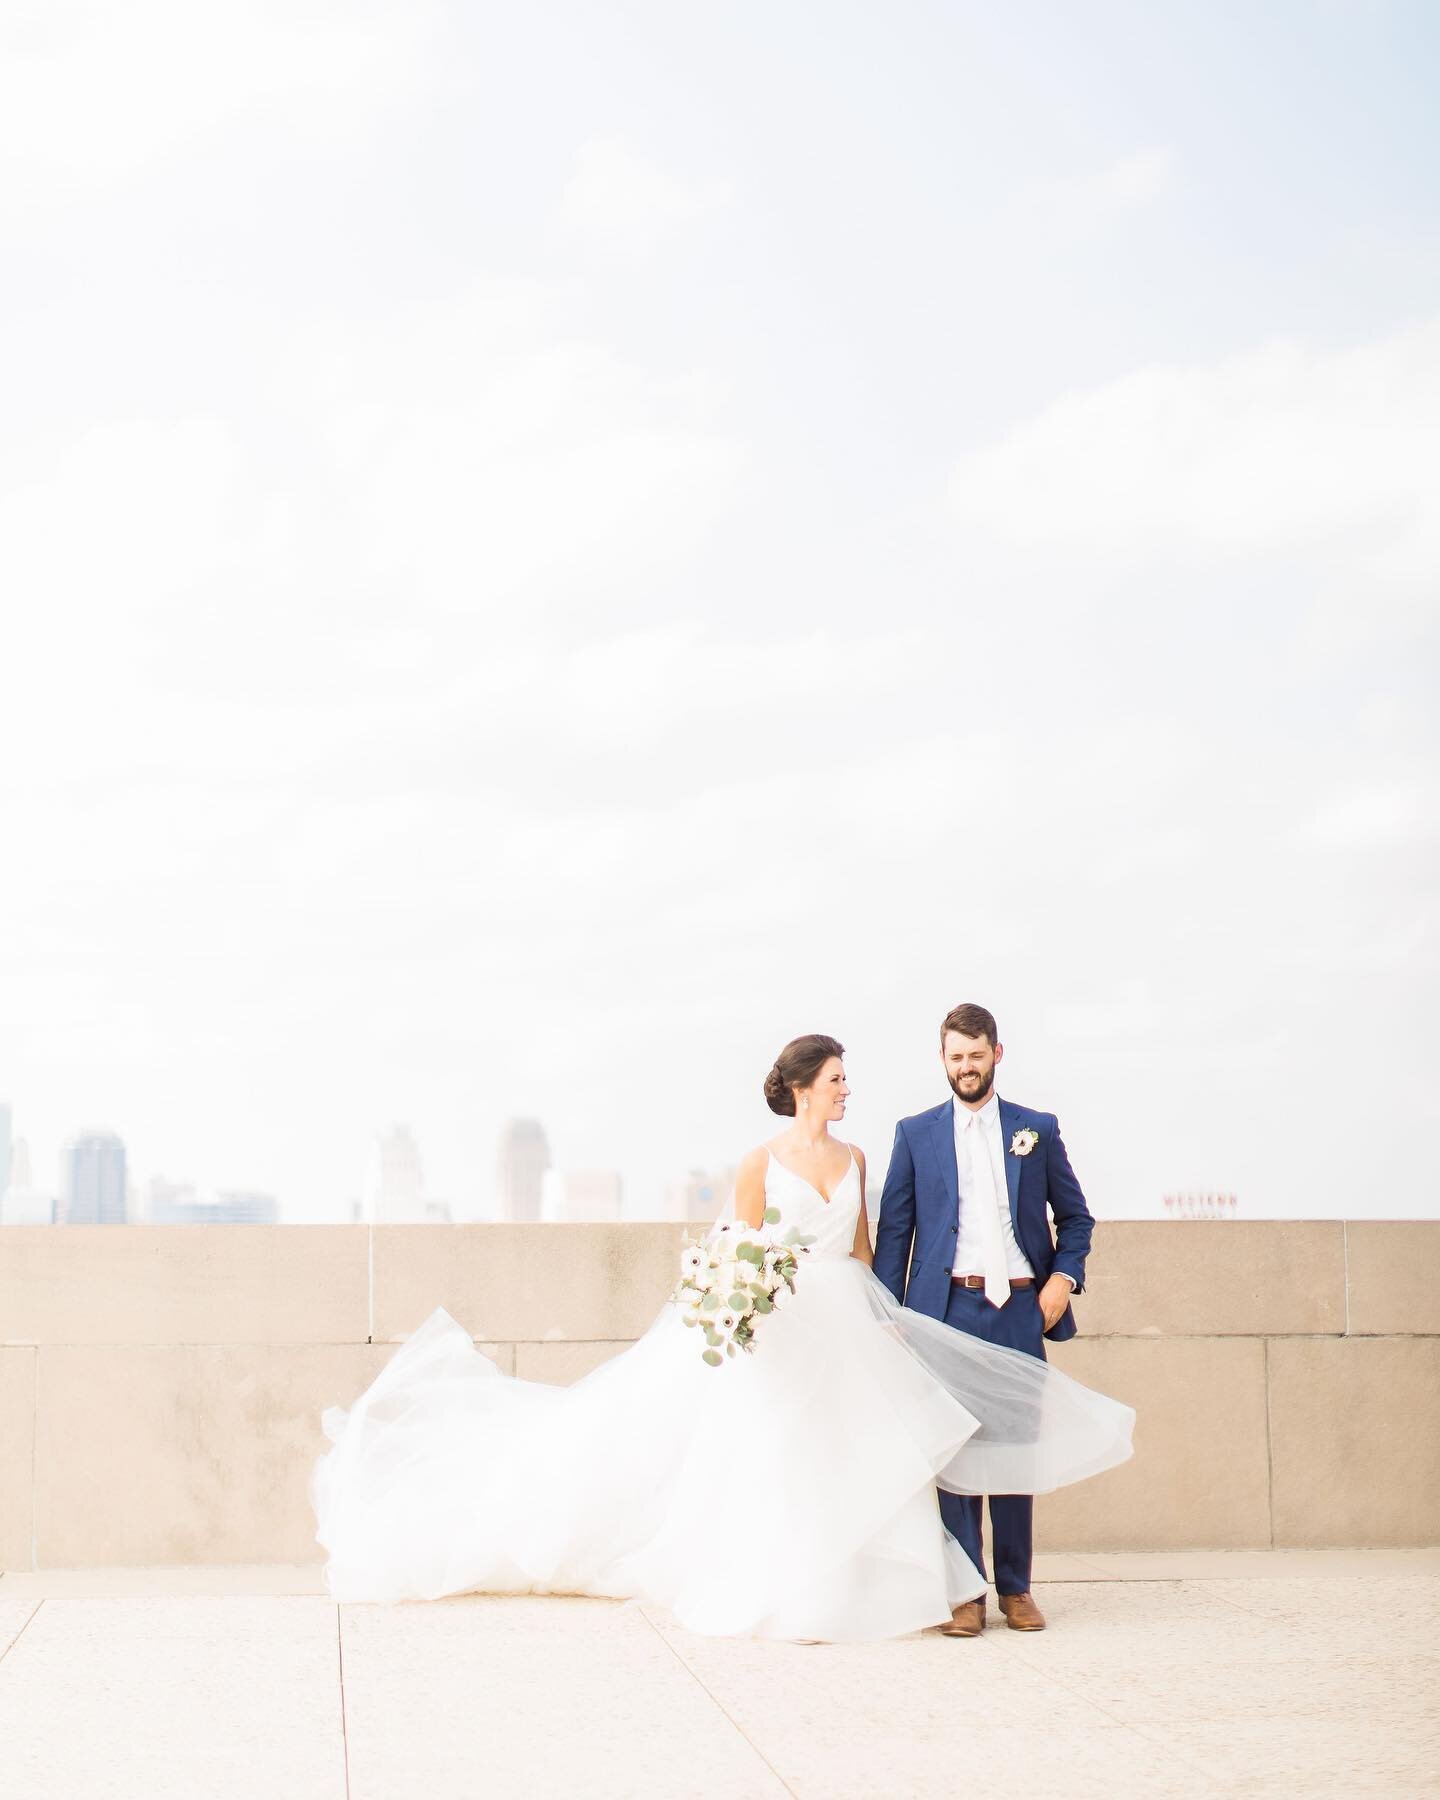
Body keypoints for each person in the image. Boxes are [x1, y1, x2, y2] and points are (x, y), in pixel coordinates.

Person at [311, 1033, 1132, 1641]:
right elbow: (739, 1247)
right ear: (807, 1087)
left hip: (845, 1314)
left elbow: (862, 1251)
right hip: (779, 1322)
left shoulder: (853, 1160)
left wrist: (886, 1322)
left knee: (861, 1446)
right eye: (840, 1079)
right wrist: (742, 1298)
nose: (849, 1090)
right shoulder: (758, 1162)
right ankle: (791, 1580)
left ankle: (932, 1586)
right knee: (781, 1448)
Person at [874, 1002, 1096, 1637]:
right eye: (955, 1057)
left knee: (1014, 1450)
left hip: (1021, 1307)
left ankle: (1017, 1589)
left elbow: (1076, 1219)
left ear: (997, 1054)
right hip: (945, 1309)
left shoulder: (1037, 1130)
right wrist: (892, 1315)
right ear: (942, 1061)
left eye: (975, 1055)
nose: (965, 1067)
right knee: (956, 1452)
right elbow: (896, 1231)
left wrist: (1062, 1279)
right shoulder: (914, 1134)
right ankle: (965, 1592)